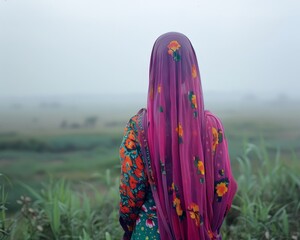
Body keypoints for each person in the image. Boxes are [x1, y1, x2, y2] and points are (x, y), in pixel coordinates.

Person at [119, 32, 238, 240]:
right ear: (191, 68)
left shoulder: (138, 129)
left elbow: (131, 191)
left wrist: (129, 226)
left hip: (150, 233)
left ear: (154, 69)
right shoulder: (211, 127)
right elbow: (224, 187)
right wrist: (207, 226)